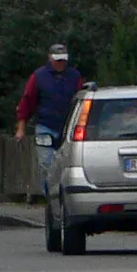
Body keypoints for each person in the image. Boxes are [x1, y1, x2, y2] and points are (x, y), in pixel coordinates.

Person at [14, 43, 83, 184]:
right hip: (45, 126)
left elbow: (81, 102)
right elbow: (27, 101)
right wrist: (21, 128)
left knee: (67, 165)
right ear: (50, 59)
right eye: (57, 60)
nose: (60, 63)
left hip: (68, 128)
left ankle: (62, 196)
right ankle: (50, 198)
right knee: (47, 165)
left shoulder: (75, 76)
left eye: (63, 59)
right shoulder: (39, 76)